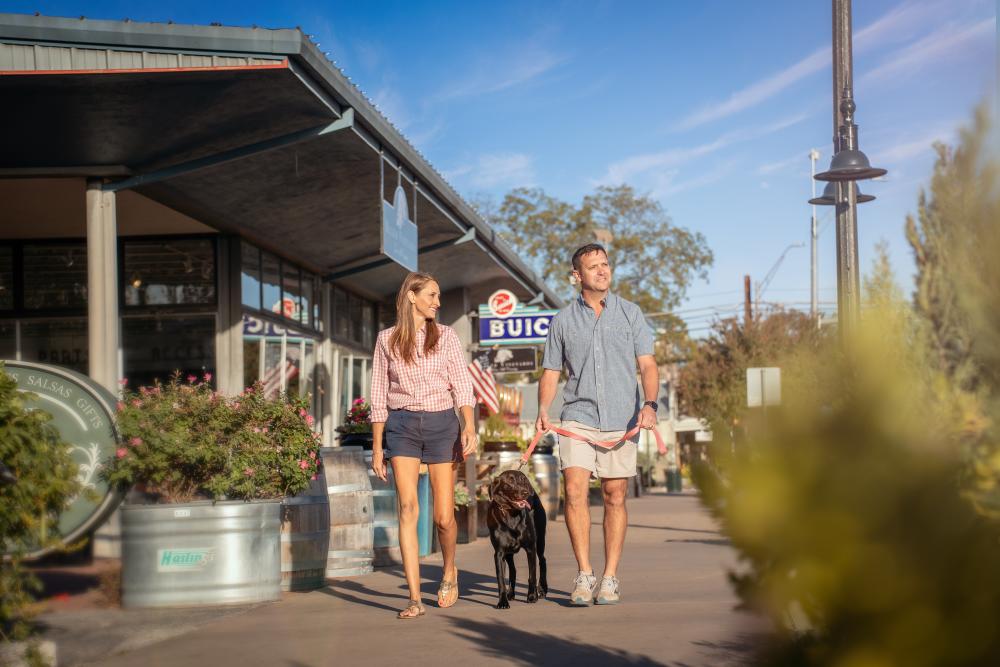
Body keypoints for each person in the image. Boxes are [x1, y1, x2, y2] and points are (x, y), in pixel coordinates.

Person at [536, 243, 659, 606]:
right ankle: (584, 573)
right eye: (593, 266)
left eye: (605, 264)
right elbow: (552, 372)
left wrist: (649, 405)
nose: (603, 271)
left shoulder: (631, 314)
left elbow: (648, 366)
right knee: (574, 490)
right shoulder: (561, 322)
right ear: (577, 276)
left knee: (614, 495)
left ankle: (609, 577)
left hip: (622, 418)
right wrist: (544, 408)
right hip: (578, 415)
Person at [369, 272, 478, 619]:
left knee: (445, 517)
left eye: (439, 295)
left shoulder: (445, 336)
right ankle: (414, 598)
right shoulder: (386, 339)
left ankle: (449, 570)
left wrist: (469, 425)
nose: (437, 301)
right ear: (411, 296)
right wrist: (376, 447)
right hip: (401, 426)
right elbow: (377, 394)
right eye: (431, 295)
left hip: (441, 424)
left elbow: (461, 383)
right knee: (407, 509)